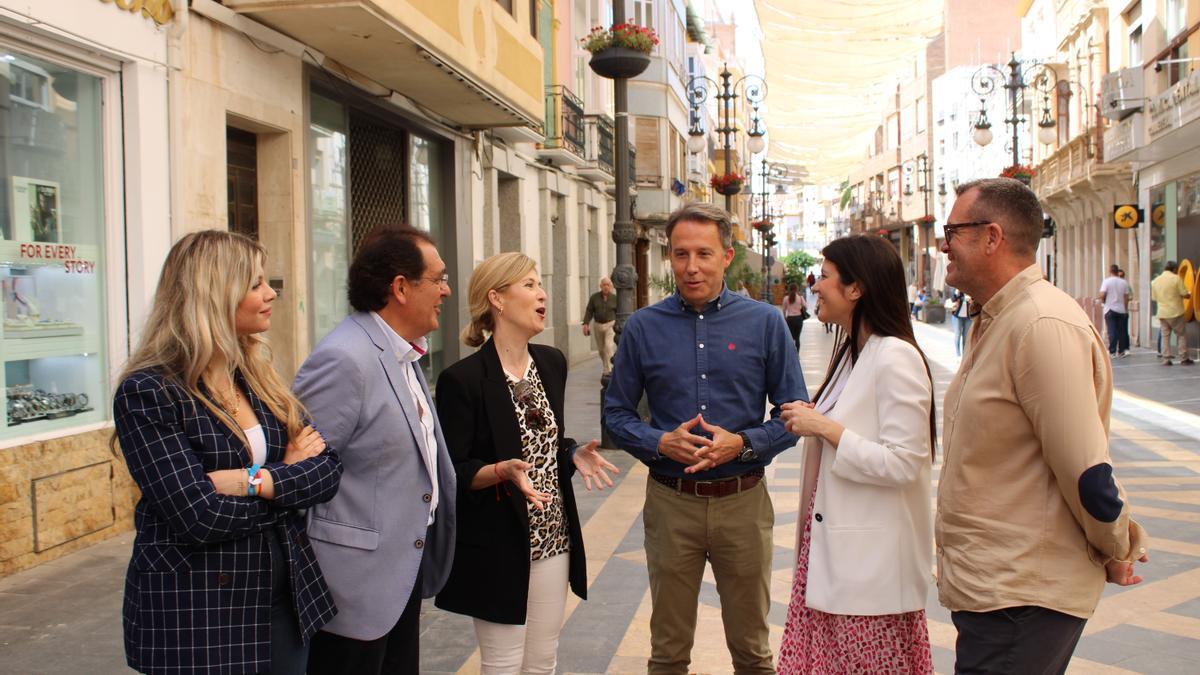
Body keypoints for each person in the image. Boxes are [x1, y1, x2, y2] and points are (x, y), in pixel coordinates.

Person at [937, 178, 1147, 673]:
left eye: (953, 231)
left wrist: (1117, 545)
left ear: (992, 237)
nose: (943, 244)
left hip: (1022, 597)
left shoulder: (1040, 325)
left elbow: (1088, 474)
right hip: (997, 589)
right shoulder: (999, 319)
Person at [113, 230, 341, 674]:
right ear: (215, 294)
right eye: (255, 284)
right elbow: (198, 517)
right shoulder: (149, 392)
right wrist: (285, 481)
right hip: (200, 613)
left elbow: (328, 470)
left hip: (285, 598)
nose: (270, 292)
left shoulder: (256, 377)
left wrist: (253, 481)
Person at [604, 201, 808, 674]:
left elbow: (793, 414)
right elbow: (614, 413)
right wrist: (659, 442)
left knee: (754, 653)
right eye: (680, 255)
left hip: (744, 501)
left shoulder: (765, 323)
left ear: (727, 255)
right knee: (669, 653)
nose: (691, 267)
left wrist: (744, 443)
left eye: (703, 253)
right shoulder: (642, 328)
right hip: (671, 503)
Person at [434, 252, 619, 674]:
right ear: (497, 299)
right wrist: (500, 471)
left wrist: (571, 452)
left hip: (553, 537)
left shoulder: (551, 363)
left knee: (542, 659)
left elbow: (544, 439)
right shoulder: (461, 381)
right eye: (530, 285)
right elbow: (454, 472)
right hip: (499, 542)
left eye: (540, 284)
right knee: (502, 663)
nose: (542, 294)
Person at [295, 224, 457, 674]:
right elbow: (300, 474)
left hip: (398, 574)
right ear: (400, 288)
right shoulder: (345, 358)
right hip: (351, 592)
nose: (445, 291)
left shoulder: (403, 351)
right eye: (438, 279)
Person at [776, 235, 935, 674]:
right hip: (836, 558)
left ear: (856, 289)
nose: (815, 286)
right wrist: (816, 418)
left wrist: (824, 426)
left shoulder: (895, 357)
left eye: (825, 277)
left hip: (869, 572)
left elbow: (905, 462)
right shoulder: (853, 351)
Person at [1151, 260, 1193, 366]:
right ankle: (1183, 358)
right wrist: (1189, 294)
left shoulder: (1155, 281)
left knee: (1165, 336)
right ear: (1174, 269)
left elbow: (1154, 298)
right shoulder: (1176, 278)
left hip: (1162, 313)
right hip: (1176, 312)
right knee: (1181, 335)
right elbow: (1184, 293)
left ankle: (1166, 359)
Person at [582, 276, 617, 375]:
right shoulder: (594, 297)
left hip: (610, 324)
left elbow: (618, 312)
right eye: (604, 285)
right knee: (601, 350)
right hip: (598, 325)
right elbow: (589, 310)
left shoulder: (614, 298)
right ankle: (606, 365)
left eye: (608, 285)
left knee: (608, 346)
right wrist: (586, 323)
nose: (606, 287)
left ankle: (609, 370)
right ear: (600, 286)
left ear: (611, 286)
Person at [1099, 263, 1132, 358]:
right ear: (1118, 272)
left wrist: (1102, 300)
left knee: (1112, 331)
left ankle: (1112, 351)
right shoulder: (1124, 282)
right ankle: (1122, 350)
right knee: (1122, 331)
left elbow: (1102, 294)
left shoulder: (1106, 281)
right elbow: (1126, 297)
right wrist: (1125, 308)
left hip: (1110, 309)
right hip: (1121, 309)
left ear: (1110, 271)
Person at [780, 282, 808, 351]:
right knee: (797, 338)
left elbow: (784, 309)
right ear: (796, 289)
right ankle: (797, 354)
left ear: (789, 289)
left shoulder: (786, 298)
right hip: (798, 319)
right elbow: (806, 306)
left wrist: (784, 317)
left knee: (791, 338)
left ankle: (791, 353)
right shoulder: (800, 298)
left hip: (790, 319)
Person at [950, 289, 971, 357]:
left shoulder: (970, 289)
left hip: (968, 317)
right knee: (958, 335)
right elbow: (953, 299)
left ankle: (964, 354)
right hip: (957, 316)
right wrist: (957, 292)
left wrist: (971, 299)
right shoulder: (957, 289)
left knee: (966, 336)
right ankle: (958, 354)